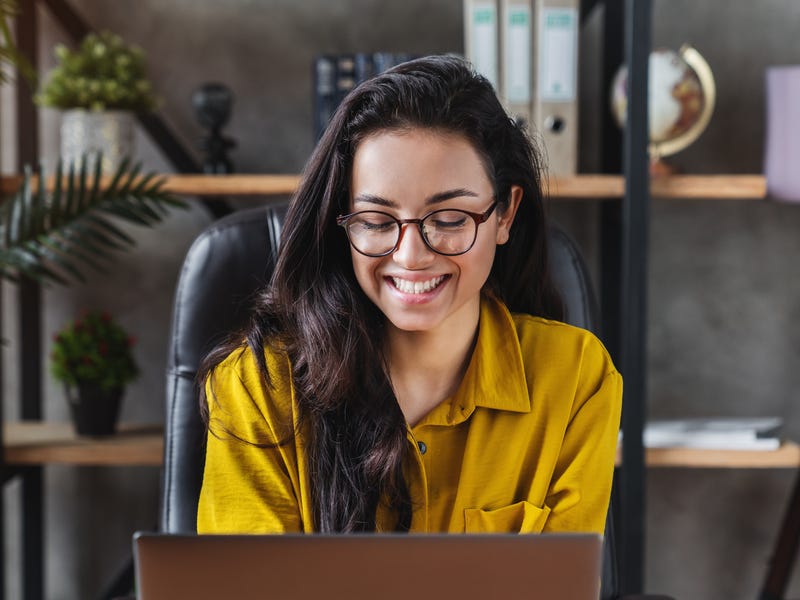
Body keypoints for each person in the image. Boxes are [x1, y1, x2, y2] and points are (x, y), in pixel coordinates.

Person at [196, 54, 621, 535]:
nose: (411, 255)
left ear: (504, 214)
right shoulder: (259, 387)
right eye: (377, 222)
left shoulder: (575, 378)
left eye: (449, 219)